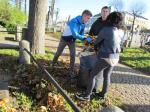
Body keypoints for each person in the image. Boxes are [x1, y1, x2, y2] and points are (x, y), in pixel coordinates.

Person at [76, 11, 125, 101]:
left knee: (92, 75)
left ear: (110, 18)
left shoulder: (106, 29)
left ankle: (87, 96)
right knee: (107, 76)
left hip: (106, 57)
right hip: (116, 57)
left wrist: (89, 39)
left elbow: (96, 42)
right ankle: (102, 95)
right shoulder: (121, 31)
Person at [51, 10, 92, 77]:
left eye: (89, 18)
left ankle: (71, 72)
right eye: (88, 18)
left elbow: (82, 35)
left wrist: (87, 42)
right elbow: (75, 34)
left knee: (73, 55)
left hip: (72, 41)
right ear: (84, 16)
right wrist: (85, 38)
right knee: (58, 53)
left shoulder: (83, 24)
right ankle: (53, 63)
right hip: (64, 39)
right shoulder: (74, 21)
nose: (89, 20)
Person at [89, 6, 110, 93]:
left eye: (106, 11)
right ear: (101, 12)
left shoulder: (110, 23)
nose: (104, 13)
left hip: (106, 50)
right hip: (97, 48)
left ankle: (97, 88)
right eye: (103, 11)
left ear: (108, 13)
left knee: (105, 73)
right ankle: (94, 87)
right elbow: (91, 33)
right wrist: (88, 44)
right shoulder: (96, 22)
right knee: (96, 68)